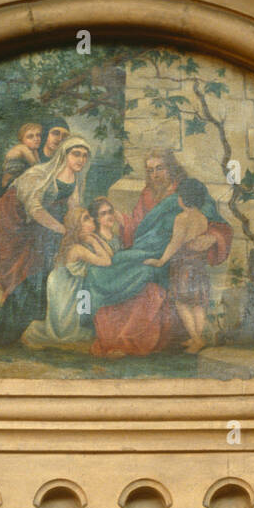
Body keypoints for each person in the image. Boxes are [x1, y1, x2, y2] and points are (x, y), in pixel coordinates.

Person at [87, 150, 232, 356]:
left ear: (171, 168)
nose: (154, 175)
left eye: (159, 168)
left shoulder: (187, 190)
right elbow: (137, 228)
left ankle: (131, 339)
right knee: (115, 265)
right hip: (147, 250)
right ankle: (114, 335)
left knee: (141, 273)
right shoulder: (147, 194)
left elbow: (217, 226)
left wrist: (210, 237)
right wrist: (121, 220)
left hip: (173, 258)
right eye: (150, 171)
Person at [0, 135, 92, 347]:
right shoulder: (40, 174)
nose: (80, 159)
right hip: (15, 220)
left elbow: (74, 207)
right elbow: (34, 209)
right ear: (64, 154)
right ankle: (2, 336)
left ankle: (15, 333)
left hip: (43, 227)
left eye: (85, 156)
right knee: (27, 276)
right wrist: (62, 229)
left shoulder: (76, 179)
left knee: (40, 277)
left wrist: (76, 230)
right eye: (76, 154)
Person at [24, 204, 113, 348]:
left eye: (90, 217)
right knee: (67, 328)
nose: (92, 220)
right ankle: (62, 331)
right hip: (63, 285)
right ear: (77, 226)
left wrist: (96, 239)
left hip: (66, 283)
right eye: (86, 219)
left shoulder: (82, 241)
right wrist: (93, 241)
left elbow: (110, 254)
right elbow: (107, 262)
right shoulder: (77, 248)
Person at [144, 177, 213, 352]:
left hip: (184, 267)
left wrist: (161, 261)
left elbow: (175, 243)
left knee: (182, 303)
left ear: (183, 198)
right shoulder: (202, 217)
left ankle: (196, 339)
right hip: (198, 266)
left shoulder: (182, 218)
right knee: (197, 303)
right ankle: (198, 337)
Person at [0, 122, 43, 223]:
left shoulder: (34, 150)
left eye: (38, 135)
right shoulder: (23, 148)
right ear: (22, 139)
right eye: (30, 136)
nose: (36, 138)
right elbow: (37, 167)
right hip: (7, 181)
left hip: (16, 178)